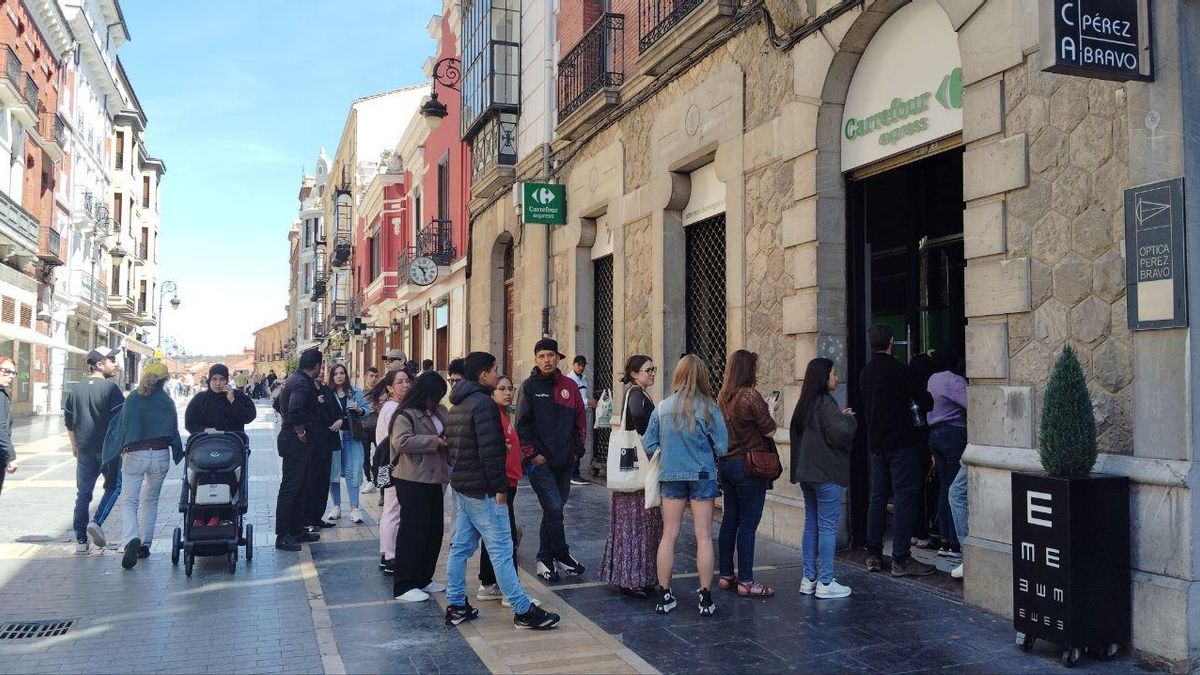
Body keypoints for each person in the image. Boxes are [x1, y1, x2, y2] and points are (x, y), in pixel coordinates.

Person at [443, 352, 560, 630]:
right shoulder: (482, 405)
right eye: (495, 371)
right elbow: (490, 452)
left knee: (460, 548)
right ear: (483, 375)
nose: (498, 375)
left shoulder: (458, 403)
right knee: (502, 549)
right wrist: (500, 488)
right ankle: (523, 610)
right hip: (483, 489)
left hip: (463, 485)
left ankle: (457, 604)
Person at [644, 354, 729, 617]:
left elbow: (648, 444)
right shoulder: (709, 408)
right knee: (703, 535)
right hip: (702, 476)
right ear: (702, 376)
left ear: (678, 375)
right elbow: (723, 447)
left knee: (669, 535)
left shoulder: (662, 407)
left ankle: (665, 595)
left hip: (671, 476)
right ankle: (705, 597)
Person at [860, 324, 936, 576]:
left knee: (878, 497)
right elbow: (925, 400)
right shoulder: (899, 371)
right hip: (901, 444)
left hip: (876, 444)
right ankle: (901, 558)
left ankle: (873, 554)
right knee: (905, 496)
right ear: (891, 342)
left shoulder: (865, 373)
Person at [516, 338, 587, 582]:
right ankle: (561, 554)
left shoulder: (570, 386)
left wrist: (578, 448)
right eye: (542, 356)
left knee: (553, 511)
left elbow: (580, 418)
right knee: (554, 508)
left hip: (565, 462)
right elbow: (521, 425)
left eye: (551, 355)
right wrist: (532, 454)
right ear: (536, 360)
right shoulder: (529, 387)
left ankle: (545, 558)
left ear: (558, 358)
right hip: (540, 464)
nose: (547, 360)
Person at [101, 362, 183, 569]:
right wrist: (178, 451)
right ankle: (146, 544)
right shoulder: (166, 401)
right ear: (165, 380)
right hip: (160, 453)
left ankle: (131, 538)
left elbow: (121, 427)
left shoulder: (133, 399)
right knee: (151, 500)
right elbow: (173, 431)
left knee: (130, 501)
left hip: (134, 454)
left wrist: (115, 451)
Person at [790, 357, 858, 598]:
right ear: (823, 377)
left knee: (811, 524)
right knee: (827, 527)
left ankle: (808, 578)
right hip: (826, 473)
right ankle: (826, 582)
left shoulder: (805, 404)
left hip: (807, 474)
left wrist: (839, 416)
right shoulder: (825, 403)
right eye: (833, 373)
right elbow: (840, 432)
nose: (837, 377)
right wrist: (848, 419)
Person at [715, 350, 778, 598]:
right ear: (748, 370)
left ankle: (726, 574)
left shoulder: (723, 396)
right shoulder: (750, 395)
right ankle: (747, 581)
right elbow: (770, 431)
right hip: (750, 465)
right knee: (748, 524)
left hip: (728, 464)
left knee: (730, 519)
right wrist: (771, 408)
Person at [599, 355, 662, 598]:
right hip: (638, 473)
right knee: (638, 524)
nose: (652, 373)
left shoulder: (637, 392)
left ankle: (635, 575)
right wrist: (650, 441)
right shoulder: (636, 394)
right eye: (648, 370)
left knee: (637, 525)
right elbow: (638, 418)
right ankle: (633, 577)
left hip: (633, 472)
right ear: (635, 374)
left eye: (653, 369)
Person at [391, 371, 451, 602]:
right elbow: (402, 441)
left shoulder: (438, 411)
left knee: (433, 531)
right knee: (413, 531)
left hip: (435, 478)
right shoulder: (405, 415)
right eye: (434, 396)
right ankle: (404, 584)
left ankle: (424, 577)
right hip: (412, 478)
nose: (436, 401)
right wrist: (434, 442)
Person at [65, 348, 125, 552]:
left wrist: (74, 446)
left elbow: (69, 422)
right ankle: (97, 522)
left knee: (83, 493)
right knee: (114, 488)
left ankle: (81, 539)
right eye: (112, 360)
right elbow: (122, 421)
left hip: (84, 449)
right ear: (99, 364)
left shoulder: (76, 389)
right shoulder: (112, 389)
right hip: (109, 450)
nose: (116, 364)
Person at [476, 375, 526, 604]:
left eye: (510, 388)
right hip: (502, 485)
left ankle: (489, 583)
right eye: (501, 389)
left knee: (495, 536)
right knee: (505, 539)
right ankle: (510, 590)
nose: (507, 393)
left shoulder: (505, 415)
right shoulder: (493, 417)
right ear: (491, 392)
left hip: (510, 482)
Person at [275, 348, 326, 551]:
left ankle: (297, 529)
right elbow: (295, 409)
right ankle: (283, 535)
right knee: (290, 488)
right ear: (316, 367)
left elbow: (278, 404)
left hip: (294, 441)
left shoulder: (294, 380)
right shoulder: (302, 384)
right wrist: (300, 431)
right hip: (295, 443)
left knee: (302, 485)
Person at [928, 348, 968, 571]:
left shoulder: (932, 379)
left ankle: (944, 539)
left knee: (945, 487)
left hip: (934, 435)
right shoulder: (955, 381)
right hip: (954, 435)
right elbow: (975, 404)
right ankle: (955, 542)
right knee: (958, 490)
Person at [375, 369, 412, 572]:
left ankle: (387, 553)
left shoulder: (395, 406)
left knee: (392, 509)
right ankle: (390, 556)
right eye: (399, 382)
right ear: (390, 387)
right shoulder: (392, 409)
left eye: (407, 381)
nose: (405, 385)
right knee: (393, 510)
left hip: (390, 464)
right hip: (391, 465)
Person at [325, 364, 371, 524]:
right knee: (334, 473)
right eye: (336, 373)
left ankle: (354, 508)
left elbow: (368, 410)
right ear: (331, 376)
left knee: (354, 471)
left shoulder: (355, 392)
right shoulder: (328, 393)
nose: (339, 376)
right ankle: (336, 506)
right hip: (333, 437)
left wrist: (360, 410)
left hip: (352, 436)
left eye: (342, 373)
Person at [303, 368, 342, 531]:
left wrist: (339, 420)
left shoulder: (327, 390)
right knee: (312, 481)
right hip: (312, 444)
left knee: (323, 481)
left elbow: (338, 412)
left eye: (322, 369)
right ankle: (307, 518)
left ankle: (318, 517)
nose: (319, 372)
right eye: (316, 369)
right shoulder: (305, 390)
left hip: (328, 442)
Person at [184, 364, 257, 444]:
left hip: (233, 445)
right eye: (214, 379)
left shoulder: (238, 396)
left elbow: (249, 417)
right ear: (209, 380)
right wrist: (204, 430)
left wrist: (232, 400)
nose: (218, 383)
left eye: (222, 379)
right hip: (205, 444)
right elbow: (189, 423)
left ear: (227, 380)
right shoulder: (199, 399)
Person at [566, 355, 593, 486]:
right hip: (572, 416)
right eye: (579, 365)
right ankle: (573, 474)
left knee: (580, 442)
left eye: (583, 365)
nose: (581, 368)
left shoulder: (584, 380)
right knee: (575, 444)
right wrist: (587, 402)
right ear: (573, 365)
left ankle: (574, 473)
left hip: (581, 415)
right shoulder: (569, 380)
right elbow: (572, 400)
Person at [361, 366, 381, 494]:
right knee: (365, 456)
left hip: (379, 428)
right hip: (364, 428)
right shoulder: (360, 393)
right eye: (371, 376)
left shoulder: (382, 393)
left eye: (375, 376)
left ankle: (378, 480)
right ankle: (369, 481)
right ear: (366, 377)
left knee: (379, 456)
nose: (373, 379)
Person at [0, 358, 16, 498]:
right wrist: (10, 456)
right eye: (7, 371)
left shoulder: (4, 393)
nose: (11, 375)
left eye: (13, 372)